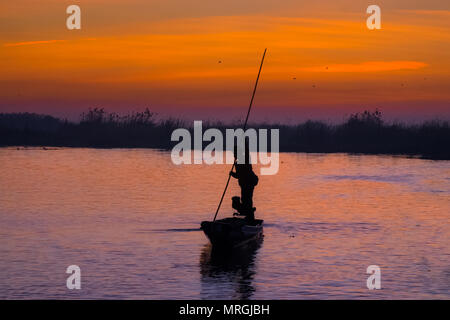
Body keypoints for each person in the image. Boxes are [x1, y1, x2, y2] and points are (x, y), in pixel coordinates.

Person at [229, 140, 259, 221]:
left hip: (249, 182)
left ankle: (249, 217)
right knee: (245, 200)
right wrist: (232, 174)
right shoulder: (237, 162)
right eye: (233, 154)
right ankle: (247, 215)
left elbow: (246, 151)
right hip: (244, 184)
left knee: (247, 200)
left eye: (235, 153)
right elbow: (239, 175)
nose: (234, 155)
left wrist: (245, 142)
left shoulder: (245, 158)